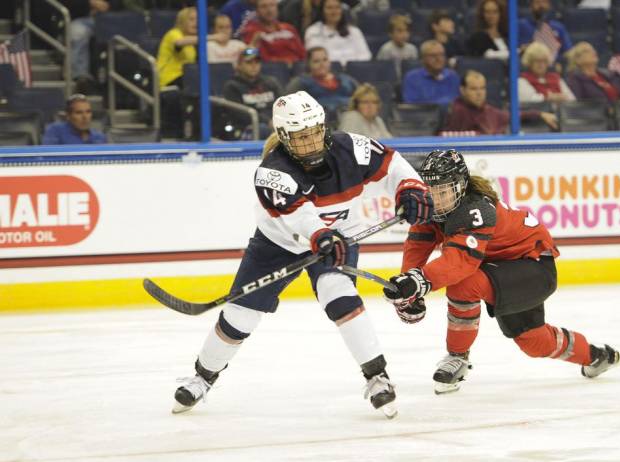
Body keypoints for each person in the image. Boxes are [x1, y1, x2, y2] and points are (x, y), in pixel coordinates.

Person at [172, 91, 434, 419]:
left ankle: (377, 377)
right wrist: (320, 235)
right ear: (284, 136)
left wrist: (411, 188)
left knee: (338, 293)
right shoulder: (272, 172)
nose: (310, 143)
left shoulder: (352, 148)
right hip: (277, 243)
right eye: (300, 137)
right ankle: (202, 378)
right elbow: (301, 218)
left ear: (323, 127)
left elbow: (393, 165)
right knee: (241, 314)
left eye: (314, 133)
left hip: (338, 237)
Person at [383, 149, 620, 395]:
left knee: (464, 284)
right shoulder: (432, 207)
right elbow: (418, 244)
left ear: (460, 186)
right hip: (499, 267)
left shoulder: (476, 210)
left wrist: (419, 281)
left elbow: (460, 262)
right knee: (534, 342)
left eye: (443, 191)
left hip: (532, 266)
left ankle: (457, 357)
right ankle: (596, 356)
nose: (436, 198)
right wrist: (409, 288)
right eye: (431, 190)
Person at [441, 70, 558, 134]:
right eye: (474, 89)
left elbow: (513, 115)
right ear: (463, 90)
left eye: (482, 88)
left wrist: (540, 114)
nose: (479, 93)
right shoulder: (457, 111)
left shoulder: (489, 111)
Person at [157, 7, 228, 88]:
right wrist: (213, 37)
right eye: (191, 19)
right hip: (168, 80)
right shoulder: (173, 33)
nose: (196, 22)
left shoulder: (192, 45)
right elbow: (180, 42)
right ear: (182, 21)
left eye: (197, 19)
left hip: (186, 78)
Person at [63, 0, 122, 93]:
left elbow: (117, 4)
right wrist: (89, 3)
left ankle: (122, 77)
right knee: (77, 33)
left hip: (108, 19)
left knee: (122, 36)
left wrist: (107, 6)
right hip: (82, 19)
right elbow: (69, 4)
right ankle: (80, 76)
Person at [222, 47, 282, 139]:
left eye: (257, 62)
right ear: (239, 65)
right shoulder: (232, 86)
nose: (254, 66)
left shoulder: (270, 83)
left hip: (274, 123)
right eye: (249, 62)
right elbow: (240, 115)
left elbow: (282, 104)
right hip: (246, 128)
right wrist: (267, 121)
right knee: (262, 129)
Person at [285, 47, 358, 115]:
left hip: (349, 116)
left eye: (325, 60)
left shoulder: (346, 80)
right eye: (316, 61)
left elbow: (362, 97)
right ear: (308, 64)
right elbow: (287, 105)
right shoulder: (300, 82)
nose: (322, 64)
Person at [304, 0, 372, 66]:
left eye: (337, 7)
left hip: (355, 70)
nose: (334, 11)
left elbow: (366, 56)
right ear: (322, 11)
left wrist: (351, 66)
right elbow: (316, 57)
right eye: (329, 8)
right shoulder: (313, 31)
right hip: (327, 70)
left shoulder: (354, 31)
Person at [240, 0, 306, 64]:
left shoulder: (289, 29)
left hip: (296, 66)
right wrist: (252, 47)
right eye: (264, 6)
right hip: (270, 68)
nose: (269, 10)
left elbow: (302, 54)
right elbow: (248, 57)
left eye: (272, 5)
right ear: (257, 11)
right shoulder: (251, 31)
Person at [402, 40, 460, 107]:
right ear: (423, 58)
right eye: (433, 55)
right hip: (425, 113)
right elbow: (411, 105)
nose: (438, 59)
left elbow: (458, 102)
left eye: (441, 55)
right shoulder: (412, 78)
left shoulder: (452, 76)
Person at [42, 94, 107, 145]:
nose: (85, 117)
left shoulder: (99, 137)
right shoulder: (55, 131)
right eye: (79, 112)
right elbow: (48, 155)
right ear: (68, 116)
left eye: (88, 112)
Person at [376, 14, 419, 78]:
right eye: (400, 31)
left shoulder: (412, 49)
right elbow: (382, 71)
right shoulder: (386, 49)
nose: (404, 34)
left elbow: (415, 70)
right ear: (390, 33)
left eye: (407, 30)